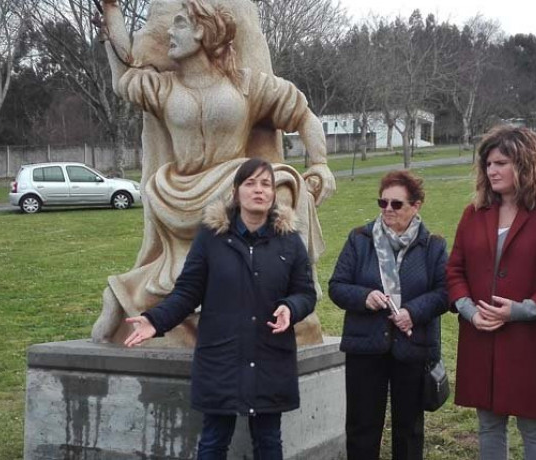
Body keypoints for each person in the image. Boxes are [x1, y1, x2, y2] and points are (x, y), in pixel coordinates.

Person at [91, 0, 335, 346]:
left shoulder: (246, 85)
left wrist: (320, 163)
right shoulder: (163, 88)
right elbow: (124, 78)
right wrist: (112, 12)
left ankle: (290, 294)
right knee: (259, 194)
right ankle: (129, 295)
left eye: (178, 25)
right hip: (176, 193)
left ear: (202, 31)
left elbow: (304, 116)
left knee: (282, 183)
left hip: (232, 182)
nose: (168, 34)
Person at [122, 158, 316, 460]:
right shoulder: (211, 239)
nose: (259, 190)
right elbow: (187, 292)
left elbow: (305, 293)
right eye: (250, 183)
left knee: (268, 442)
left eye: (266, 184)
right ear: (237, 191)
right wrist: (154, 320)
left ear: (274, 194)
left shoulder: (289, 242)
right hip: (221, 357)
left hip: (269, 356)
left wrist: (291, 308)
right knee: (213, 442)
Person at [446, 126, 536, 459]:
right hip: (481, 335)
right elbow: (455, 269)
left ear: (525, 163)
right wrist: (470, 312)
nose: (492, 170)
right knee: (488, 423)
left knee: (534, 427)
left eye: (501, 162)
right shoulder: (474, 213)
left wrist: (523, 309)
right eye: (488, 163)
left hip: (531, 339)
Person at [328, 170, 449, 460]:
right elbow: (337, 286)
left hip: (413, 346)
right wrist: (363, 297)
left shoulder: (432, 245)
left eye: (397, 204)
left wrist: (413, 312)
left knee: (409, 429)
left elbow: (445, 293)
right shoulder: (360, 238)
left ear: (416, 205)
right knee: (362, 427)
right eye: (383, 203)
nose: (388, 210)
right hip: (366, 345)